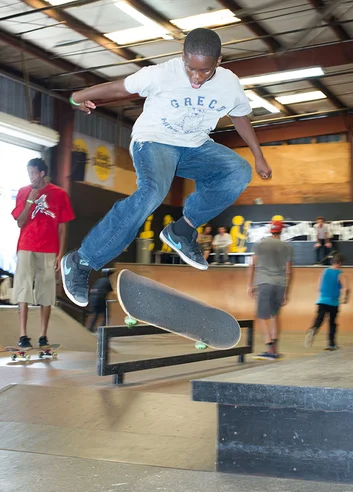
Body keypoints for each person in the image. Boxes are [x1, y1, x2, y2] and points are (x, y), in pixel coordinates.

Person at [61, 28, 272, 307]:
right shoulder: (160, 73)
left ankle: (182, 230)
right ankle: (81, 260)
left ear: (218, 62)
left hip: (194, 146)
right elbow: (120, 87)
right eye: (191, 69)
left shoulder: (229, 84)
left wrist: (259, 156)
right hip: (154, 142)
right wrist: (80, 96)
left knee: (238, 171)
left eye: (205, 71)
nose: (197, 78)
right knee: (152, 193)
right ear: (182, 56)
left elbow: (240, 116)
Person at [11, 158, 75, 348]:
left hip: (48, 248)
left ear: (42, 173)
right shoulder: (24, 192)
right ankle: (23, 335)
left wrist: (60, 253)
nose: (30, 177)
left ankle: (43, 336)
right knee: (23, 289)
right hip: (26, 246)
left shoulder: (60, 194)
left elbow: (63, 227)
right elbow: (20, 222)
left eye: (33, 173)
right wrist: (30, 200)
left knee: (46, 292)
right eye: (28, 173)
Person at [248, 220, 293, 360]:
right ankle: (275, 349)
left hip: (264, 282)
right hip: (280, 284)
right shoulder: (287, 247)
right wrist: (286, 291)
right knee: (275, 315)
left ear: (270, 230)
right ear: (281, 231)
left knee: (262, 316)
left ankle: (270, 348)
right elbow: (289, 271)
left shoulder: (260, 245)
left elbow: (252, 265)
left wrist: (250, 285)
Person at [305, 253, 349, 351]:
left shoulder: (324, 271)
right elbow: (345, 289)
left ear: (332, 261)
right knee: (332, 322)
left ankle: (313, 329)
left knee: (319, 318)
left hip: (322, 300)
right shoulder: (340, 273)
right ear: (340, 263)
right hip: (333, 302)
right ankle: (331, 344)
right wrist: (344, 298)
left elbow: (319, 287)